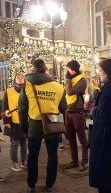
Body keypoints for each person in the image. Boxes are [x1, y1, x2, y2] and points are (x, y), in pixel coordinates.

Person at [19, 59, 67, 192]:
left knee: (32, 156)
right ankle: (50, 184)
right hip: (52, 124)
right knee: (53, 156)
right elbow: (64, 107)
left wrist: (24, 127)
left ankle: (31, 184)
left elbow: (22, 109)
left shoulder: (27, 86)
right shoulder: (58, 87)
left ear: (33, 69)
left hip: (34, 125)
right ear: (46, 69)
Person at [89, 58, 111, 193]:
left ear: (107, 72)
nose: (99, 73)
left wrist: (93, 110)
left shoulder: (110, 88)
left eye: (100, 71)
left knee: (106, 175)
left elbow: (105, 114)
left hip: (106, 139)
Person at [64, 59, 88, 172]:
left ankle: (85, 161)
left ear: (73, 69)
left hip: (78, 112)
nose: (67, 71)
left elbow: (69, 91)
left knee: (82, 138)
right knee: (71, 138)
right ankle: (74, 161)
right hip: (68, 111)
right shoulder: (71, 78)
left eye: (68, 69)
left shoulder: (82, 80)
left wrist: (67, 79)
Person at [2, 73, 27, 172]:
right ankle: (14, 162)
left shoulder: (27, 90)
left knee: (24, 143)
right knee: (14, 143)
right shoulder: (9, 91)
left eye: (22, 77)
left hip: (25, 121)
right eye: (18, 77)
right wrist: (6, 121)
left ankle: (24, 161)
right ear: (14, 80)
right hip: (13, 122)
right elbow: (4, 107)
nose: (20, 79)